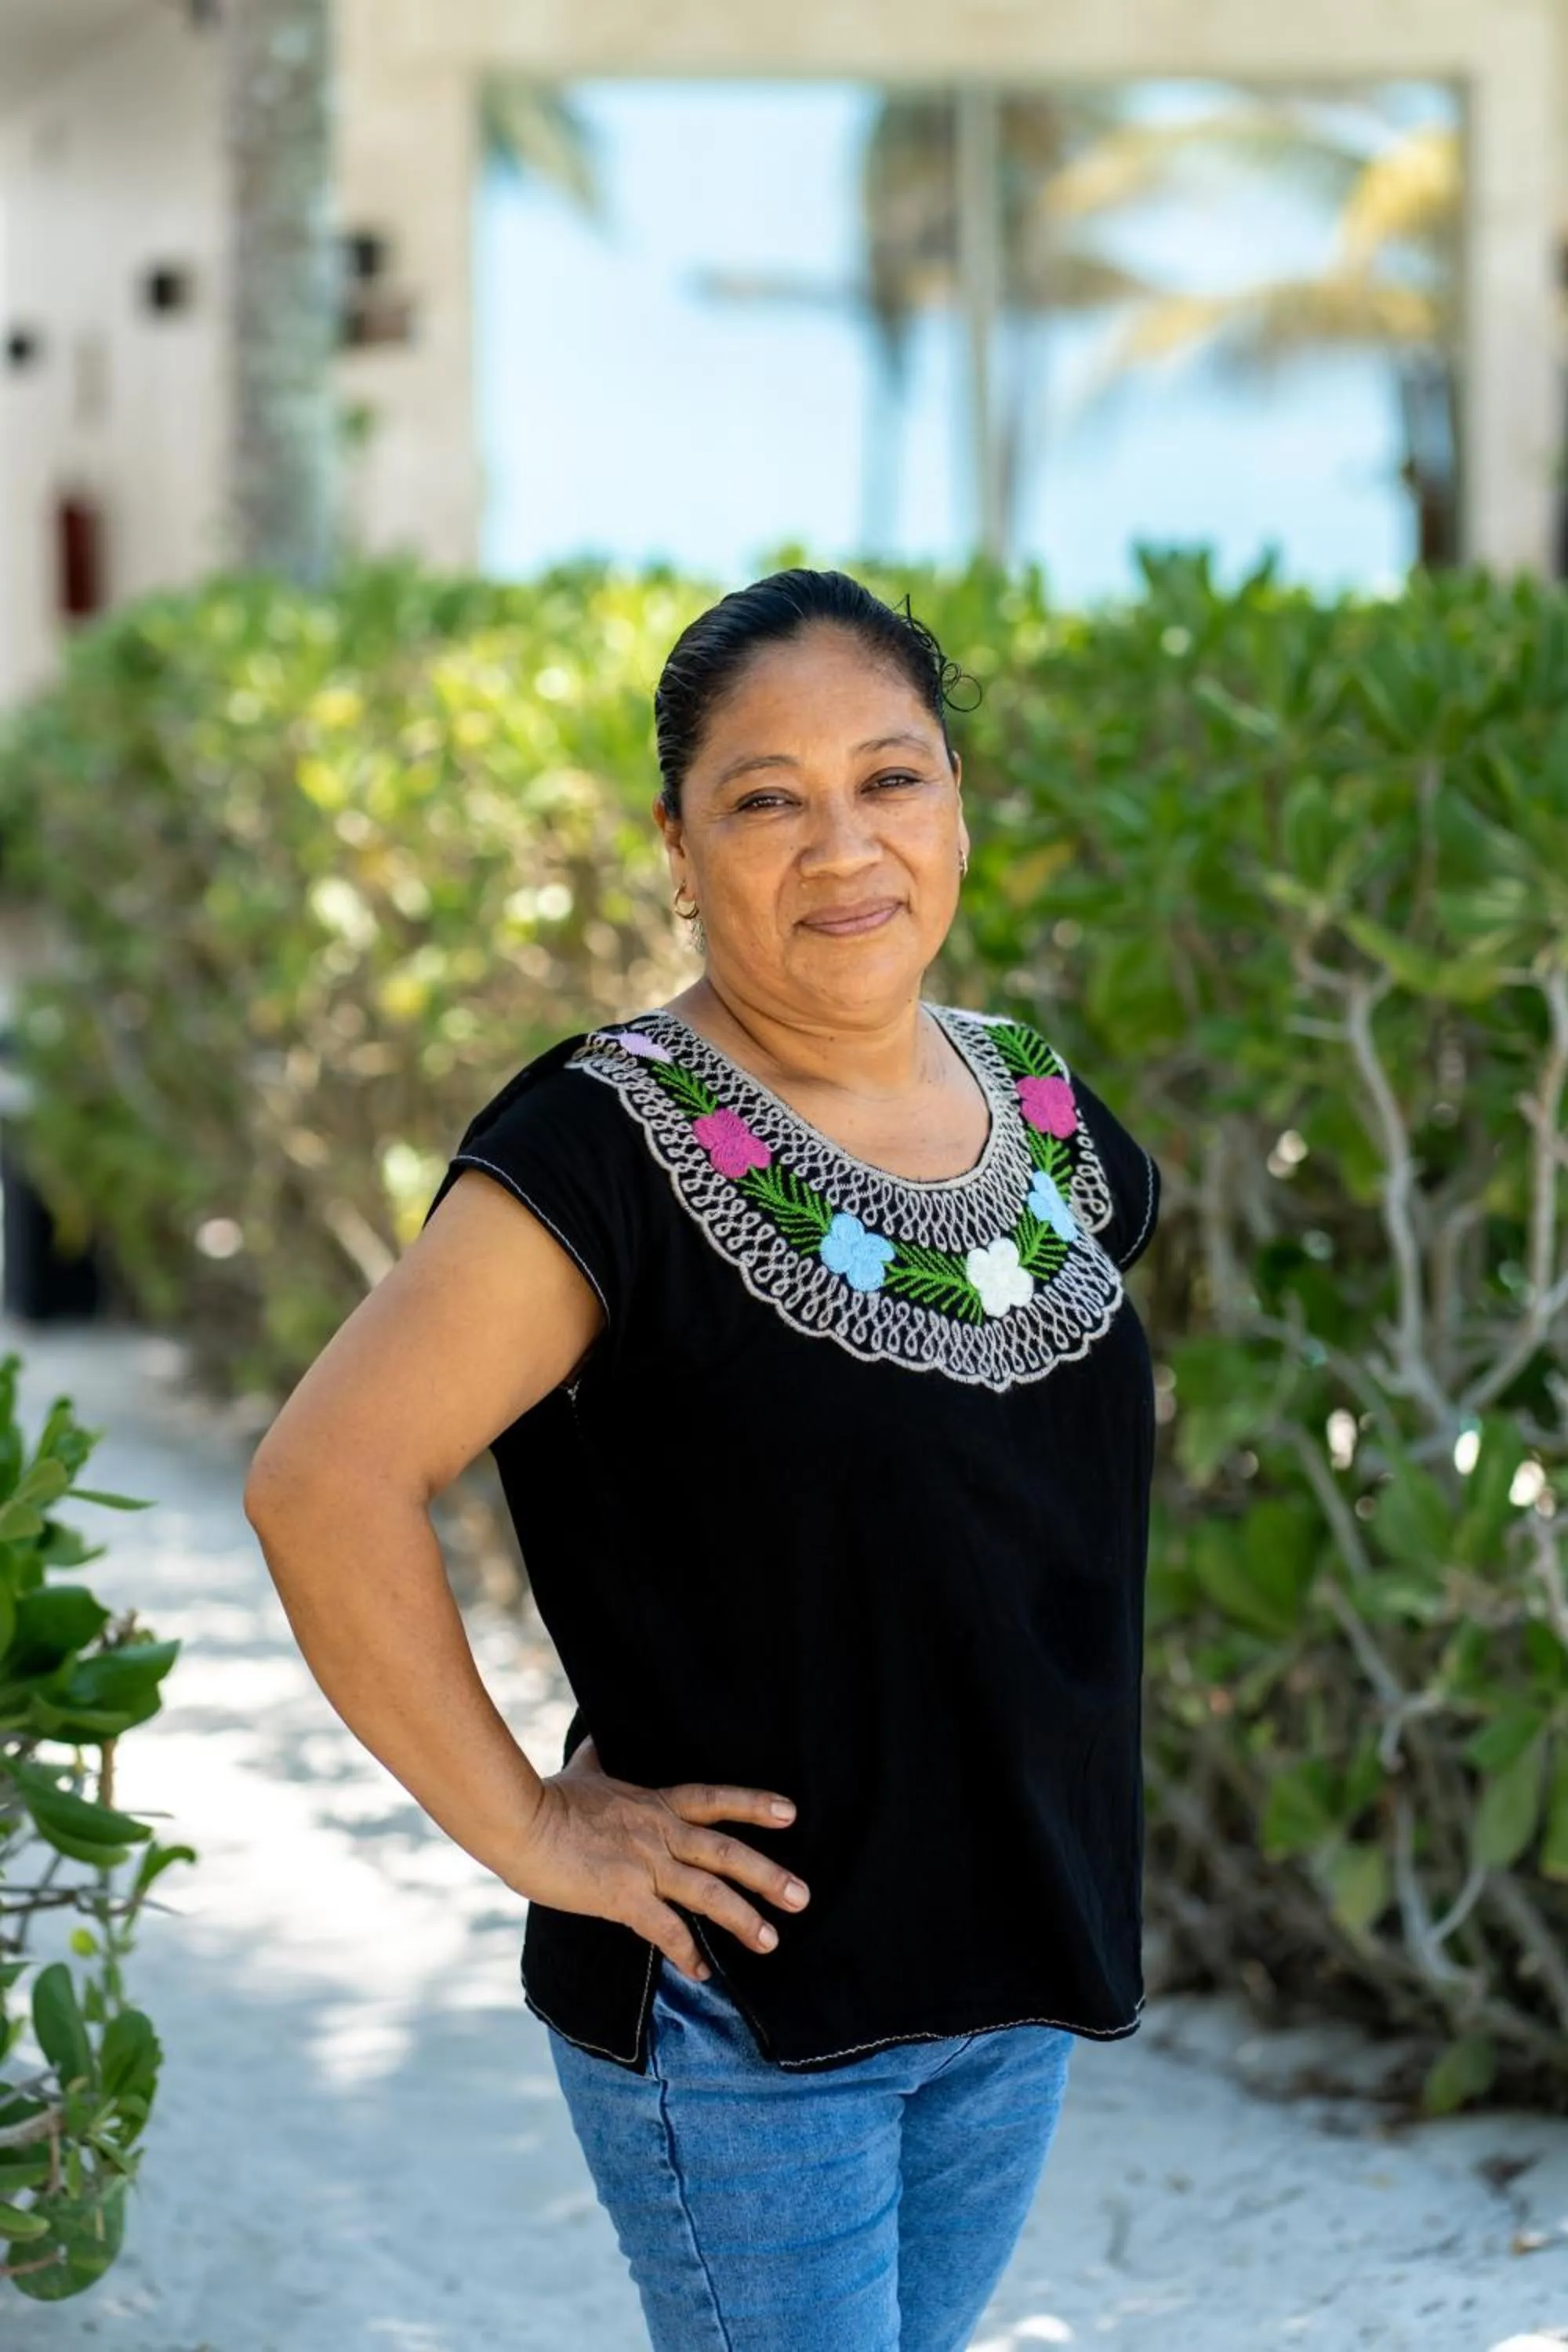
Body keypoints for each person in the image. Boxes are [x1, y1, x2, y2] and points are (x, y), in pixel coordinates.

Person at [244, 566, 1161, 2352]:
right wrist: (529, 1828)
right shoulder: (598, 1146)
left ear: (956, 804)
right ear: (677, 847)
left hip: (1016, 1975)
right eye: (766, 801)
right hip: (744, 2011)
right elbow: (322, 1482)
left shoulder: (1043, 1110)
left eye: (891, 778)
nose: (845, 847)